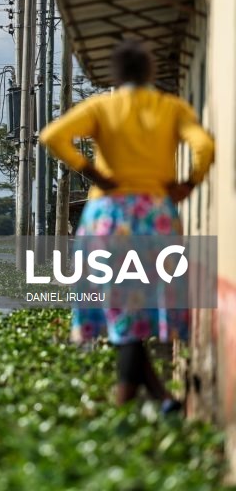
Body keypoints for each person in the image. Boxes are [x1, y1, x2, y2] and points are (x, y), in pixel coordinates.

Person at [40, 40, 215, 412]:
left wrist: (95, 174)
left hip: (110, 216)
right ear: (150, 73)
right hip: (157, 215)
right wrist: (189, 182)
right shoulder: (171, 108)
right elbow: (203, 146)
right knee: (139, 307)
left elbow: (52, 136)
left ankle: (126, 404)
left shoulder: (103, 106)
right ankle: (160, 398)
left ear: (116, 75)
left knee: (121, 307)